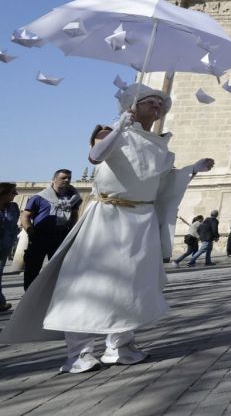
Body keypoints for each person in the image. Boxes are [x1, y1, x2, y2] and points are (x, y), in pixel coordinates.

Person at [0, 84, 214, 372]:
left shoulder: (159, 144)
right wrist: (120, 127)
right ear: (132, 105)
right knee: (90, 283)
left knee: (131, 285)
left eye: (160, 103)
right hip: (108, 216)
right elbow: (96, 156)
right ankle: (79, 353)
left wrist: (192, 170)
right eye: (149, 101)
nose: (157, 106)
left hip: (140, 222)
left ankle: (120, 346)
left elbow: (160, 183)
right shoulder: (109, 131)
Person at [19, 168, 81, 290]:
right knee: (32, 269)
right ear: (54, 179)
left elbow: (74, 215)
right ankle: (29, 295)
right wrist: (30, 231)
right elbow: (25, 216)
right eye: (63, 178)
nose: (67, 180)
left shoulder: (73, 198)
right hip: (39, 237)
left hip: (60, 237)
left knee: (58, 269)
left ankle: (51, 295)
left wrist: (71, 231)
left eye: (69, 178)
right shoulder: (39, 197)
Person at [0, 182, 20, 312]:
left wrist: (12, 239)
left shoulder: (13, 207)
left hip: (4, 246)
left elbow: (13, 226)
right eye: (13, 192)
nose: (16, 194)